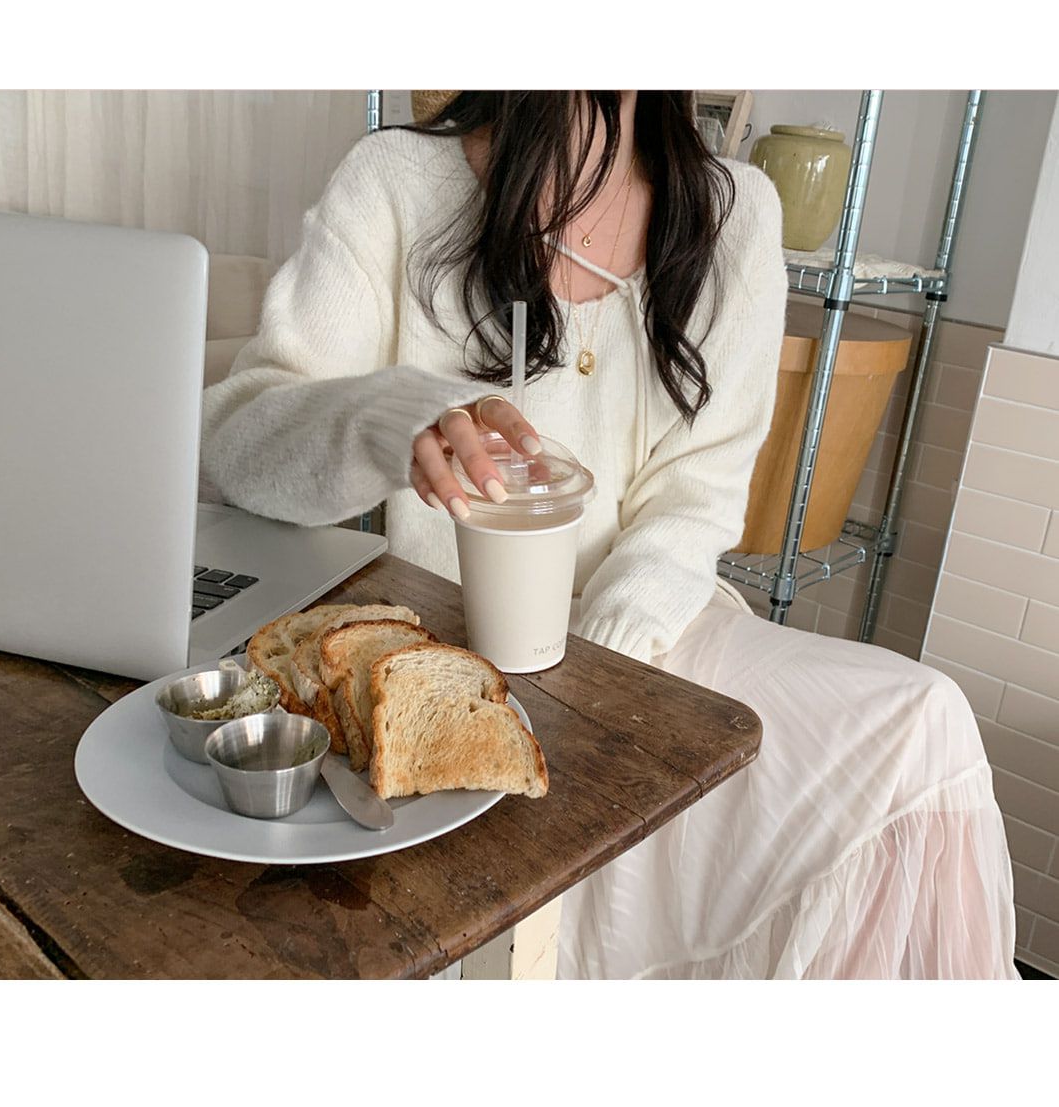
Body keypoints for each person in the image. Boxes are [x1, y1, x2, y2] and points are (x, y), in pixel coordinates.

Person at [202, 91, 1017, 978]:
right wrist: (389, 420)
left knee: (922, 725)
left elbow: (697, 496)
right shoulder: (396, 182)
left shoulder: (734, 214)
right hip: (447, 649)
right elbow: (237, 445)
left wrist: (601, 674)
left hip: (657, 628)